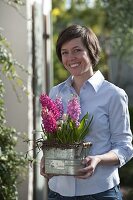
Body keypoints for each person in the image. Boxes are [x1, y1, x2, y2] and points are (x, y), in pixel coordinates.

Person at [40, 24, 133, 200]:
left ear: (91, 51)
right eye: (64, 52)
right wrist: (47, 160)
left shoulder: (113, 95)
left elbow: (125, 147)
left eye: (77, 50)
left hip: (101, 193)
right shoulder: (55, 93)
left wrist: (97, 160)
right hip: (59, 193)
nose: (70, 57)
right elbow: (52, 139)